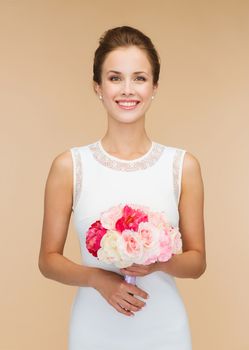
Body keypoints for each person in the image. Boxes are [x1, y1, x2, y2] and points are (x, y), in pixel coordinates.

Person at [38, 25, 206, 350]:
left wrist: (157, 261)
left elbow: (197, 262)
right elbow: (48, 259)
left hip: (165, 330)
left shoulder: (182, 167)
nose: (127, 89)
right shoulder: (70, 166)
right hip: (93, 329)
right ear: (97, 87)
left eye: (139, 78)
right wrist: (97, 279)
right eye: (115, 78)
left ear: (154, 86)